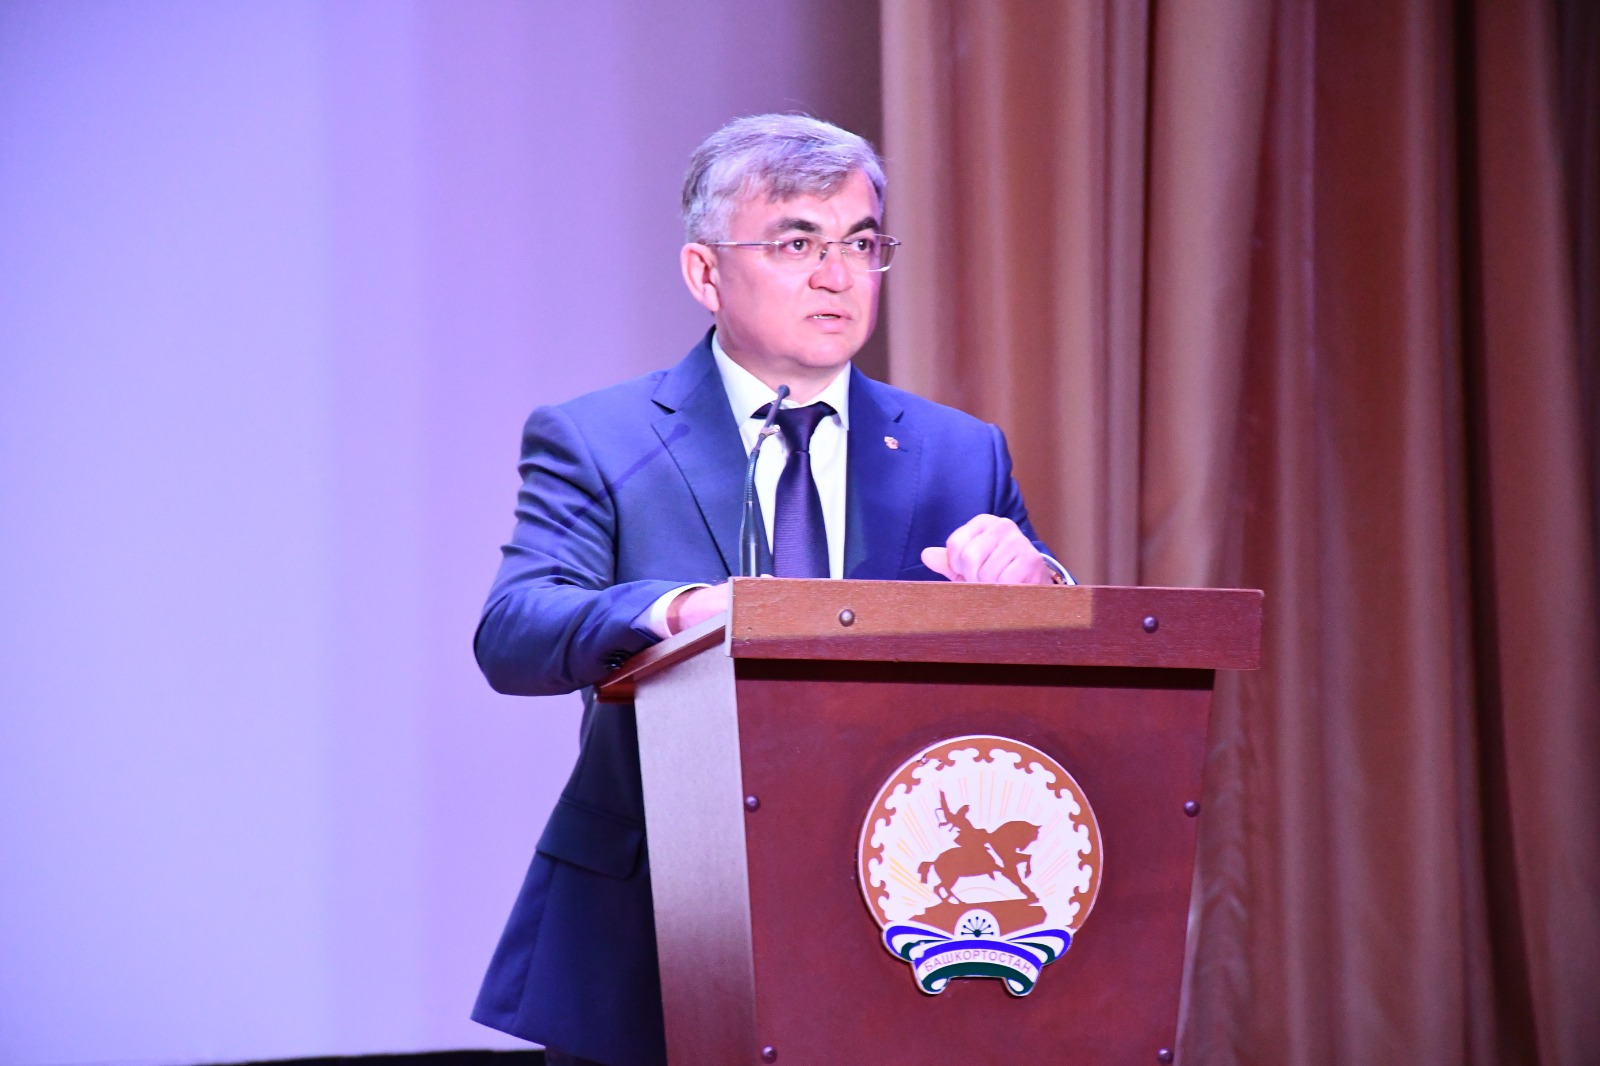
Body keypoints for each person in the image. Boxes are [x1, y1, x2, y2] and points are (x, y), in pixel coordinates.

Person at [470, 114, 1071, 1066]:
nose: (838, 275)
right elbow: (514, 628)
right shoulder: (603, 439)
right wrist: (677, 613)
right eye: (798, 243)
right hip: (659, 925)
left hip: (897, 927)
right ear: (706, 273)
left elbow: (1058, 670)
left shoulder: (959, 452)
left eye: (861, 243)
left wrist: (1040, 584)